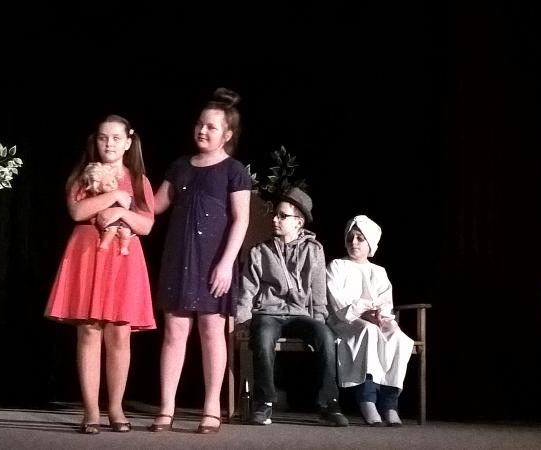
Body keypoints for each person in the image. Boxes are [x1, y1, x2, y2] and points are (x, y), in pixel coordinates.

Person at [149, 88, 251, 434]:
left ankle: (211, 408)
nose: (202, 130)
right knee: (174, 332)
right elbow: (155, 206)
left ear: (227, 134)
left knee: (211, 331)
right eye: (199, 124)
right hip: (178, 258)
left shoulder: (234, 170)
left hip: (214, 262)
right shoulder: (180, 166)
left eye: (211, 126)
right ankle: (167, 408)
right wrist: (119, 189)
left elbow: (241, 220)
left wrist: (226, 264)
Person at [45, 115, 156, 434]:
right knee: (89, 331)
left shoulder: (139, 180)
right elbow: (77, 211)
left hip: (123, 259)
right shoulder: (84, 174)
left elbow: (146, 225)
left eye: (116, 138)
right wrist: (115, 197)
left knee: (120, 333)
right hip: (87, 254)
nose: (109, 144)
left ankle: (116, 408)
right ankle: (91, 411)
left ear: (128, 142)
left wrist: (121, 211)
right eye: (103, 138)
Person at [235, 187, 349, 427]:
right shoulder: (260, 251)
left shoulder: (314, 250)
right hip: (268, 313)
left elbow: (318, 292)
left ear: (299, 221)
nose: (275, 219)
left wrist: (319, 321)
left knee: (326, 337)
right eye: (275, 215)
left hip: (300, 315)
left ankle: (329, 403)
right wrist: (242, 321)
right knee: (263, 337)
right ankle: (264, 402)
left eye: (282, 216)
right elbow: (248, 290)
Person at [325, 215, 414, 426]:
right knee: (369, 331)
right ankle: (367, 399)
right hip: (346, 321)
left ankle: (390, 403)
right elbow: (338, 302)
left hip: (374, 319)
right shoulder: (337, 266)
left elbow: (385, 302)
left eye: (360, 238)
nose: (354, 242)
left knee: (398, 338)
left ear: (370, 242)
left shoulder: (379, 271)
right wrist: (364, 312)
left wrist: (378, 314)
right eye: (350, 238)